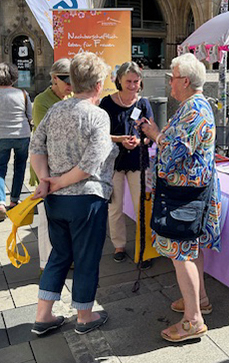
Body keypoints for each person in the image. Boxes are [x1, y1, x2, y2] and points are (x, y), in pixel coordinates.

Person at [29, 52, 117, 336]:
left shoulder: (56, 110)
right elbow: (92, 163)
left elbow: (36, 146)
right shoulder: (98, 116)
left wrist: (47, 180)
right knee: (86, 257)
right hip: (86, 200)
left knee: (59, 255)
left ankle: (43, 315)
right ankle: (84, 315)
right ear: (98, 84)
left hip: (56, 201)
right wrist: (57, 182)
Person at [138, 53, 223, 342]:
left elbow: (173, 153)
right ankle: (199, 300)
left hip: (184, 195)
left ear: (185, 81)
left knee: (180, 253)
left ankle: (193, 320)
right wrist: (160, 136)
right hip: (189, 192)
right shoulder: (195, 106)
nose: (169, 83)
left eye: (172, 77)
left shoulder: (193, 110)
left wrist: (156, 137)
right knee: (190, 249)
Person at [99, 62, 153, 266]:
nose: (132, 85)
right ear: (119, 80)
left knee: (142, 205)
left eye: (136, 81)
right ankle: (119, 245)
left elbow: (150, 132)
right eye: (128, 81)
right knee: (115, 207)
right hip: (114, 162)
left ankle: (144, 246)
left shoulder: (143, 104)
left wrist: (141, 141)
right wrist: (120, 139)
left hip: (138, 161)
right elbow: (101, 134)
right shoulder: (107, 103)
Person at [30, 58, 73, 272]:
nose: (70, 86)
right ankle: (46, 264)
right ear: (54, 79)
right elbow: (43, 138)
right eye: (66, 80)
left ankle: (66, 257)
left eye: (73, 81)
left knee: (65, 218)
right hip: (46, 167)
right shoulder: (41, 101)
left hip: (67, 169)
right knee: (47, 218)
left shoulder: (72, 97)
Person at [0, 62, 32, 222]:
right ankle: (14, 199)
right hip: (22, 134)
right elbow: (30, 115)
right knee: (19, 167)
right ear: (13, 76)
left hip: (0, 135)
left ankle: (0, 203)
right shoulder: (23, 94)